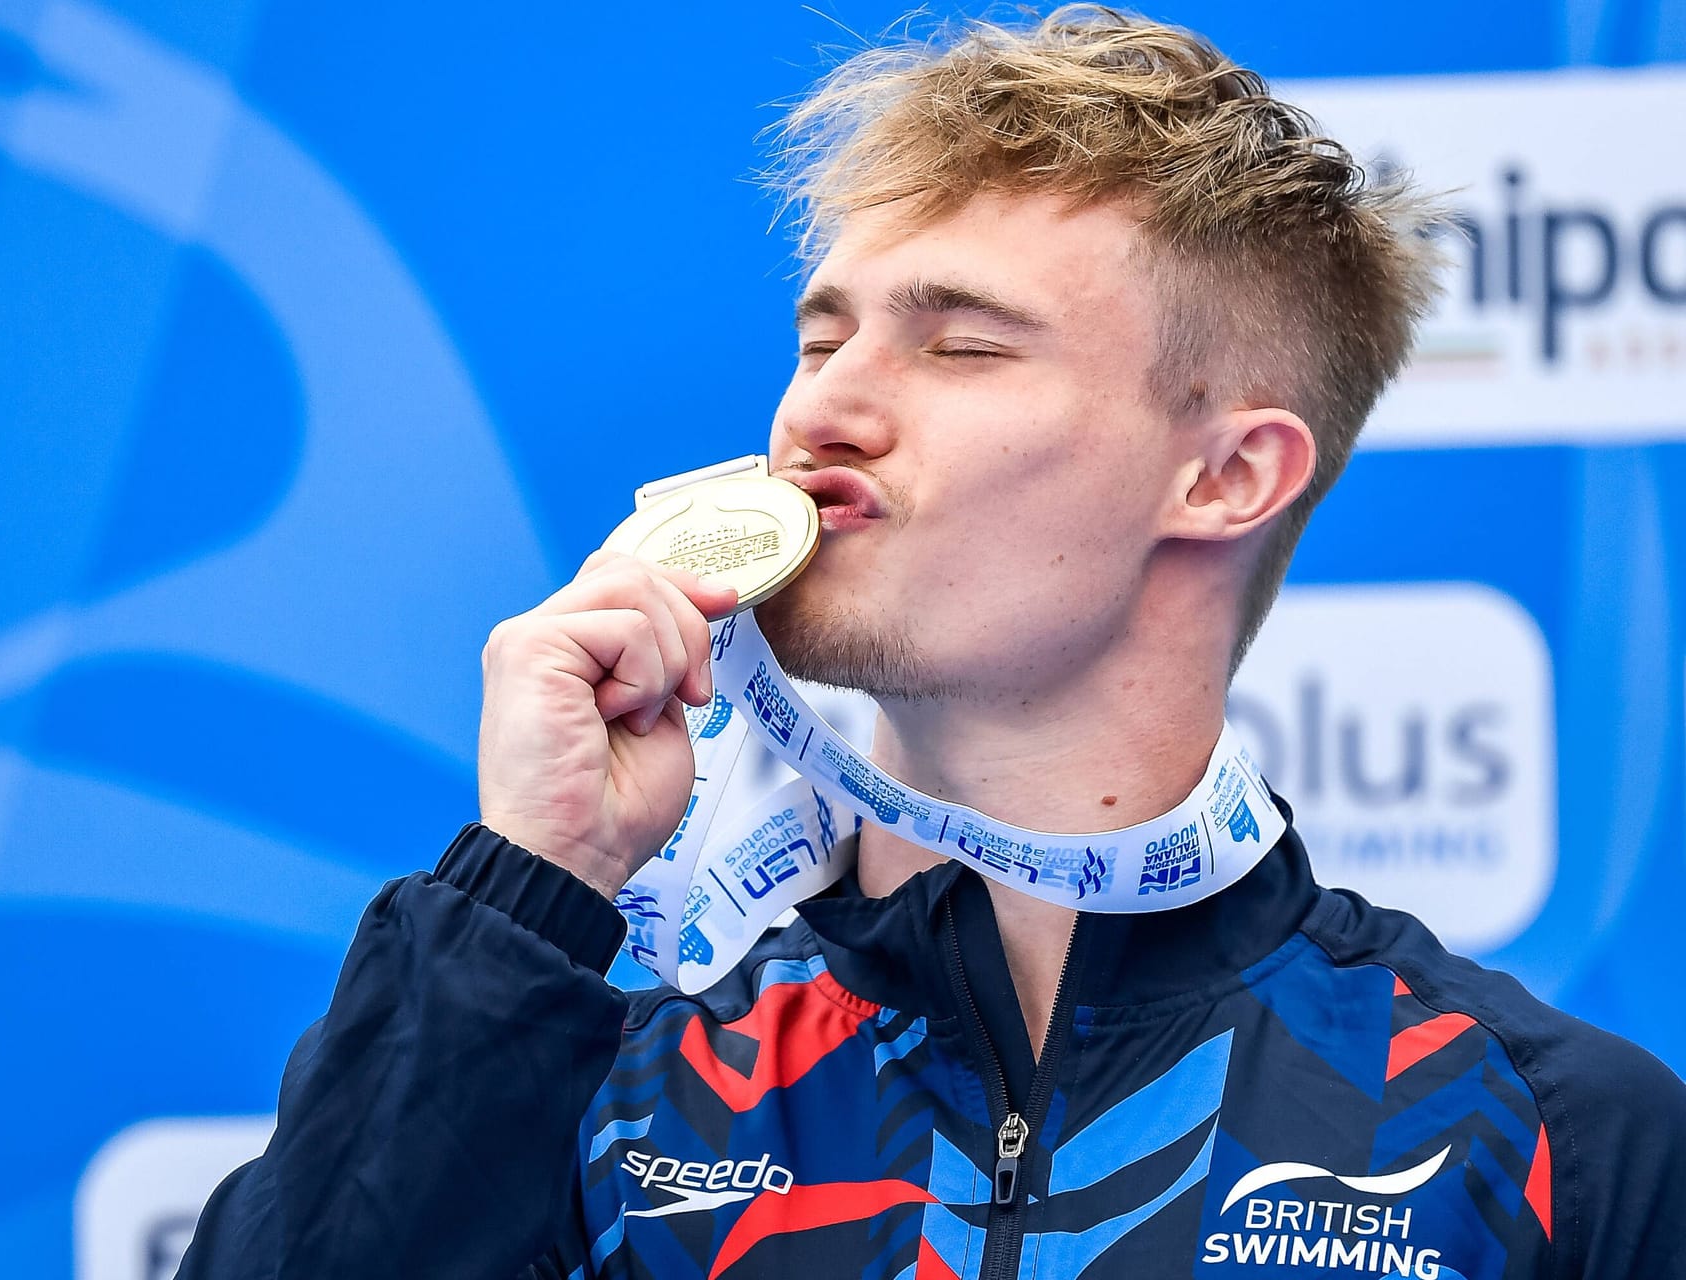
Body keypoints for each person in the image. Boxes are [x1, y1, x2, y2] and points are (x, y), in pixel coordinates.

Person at [176, 8, 1686, 1278]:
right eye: (823, 338)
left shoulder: (1542, 1136)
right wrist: (532, 888)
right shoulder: (593, 1084)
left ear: (1226, 476)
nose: (819, 410)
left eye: (962, 344)